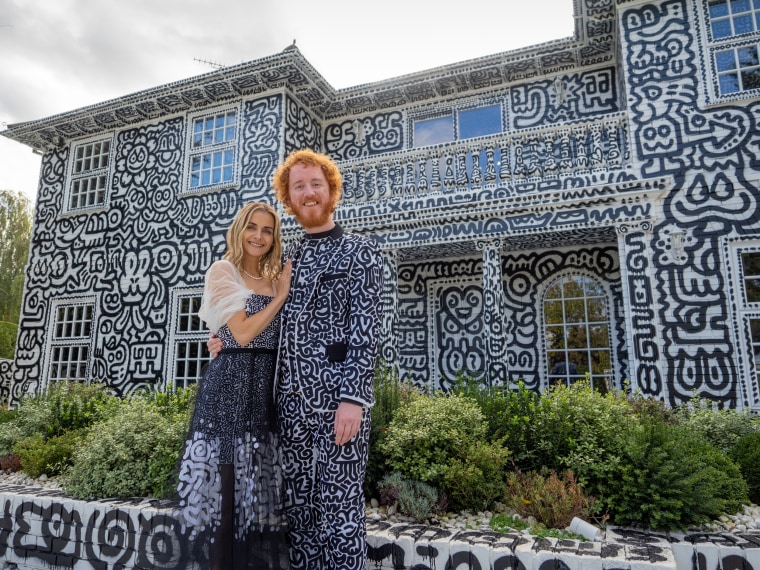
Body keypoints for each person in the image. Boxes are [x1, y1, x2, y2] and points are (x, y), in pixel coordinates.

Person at [209, 149, 383, 569]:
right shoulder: (285, 262)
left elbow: (366, 330)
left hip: (337, 407)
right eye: (298, 186)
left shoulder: (361, 252)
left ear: (330, 191)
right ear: (289, 198)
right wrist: (223, 338)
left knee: (339, 514)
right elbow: (261, 317)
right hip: (287, 409)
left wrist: (354, 399)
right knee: (300, 517)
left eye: (315, 185)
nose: (308, 193)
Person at [175, 201, 292, 569]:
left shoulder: (274, 279)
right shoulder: (223, 270)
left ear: (274, 238)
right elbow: (240, 335)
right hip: (228, 389)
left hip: (262, 394)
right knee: (226, 500)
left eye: (267, 230)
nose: (259, 236)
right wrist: (281, 298)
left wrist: (278, 291)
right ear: (239, 229)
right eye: (252, 227)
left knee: (251, 501)